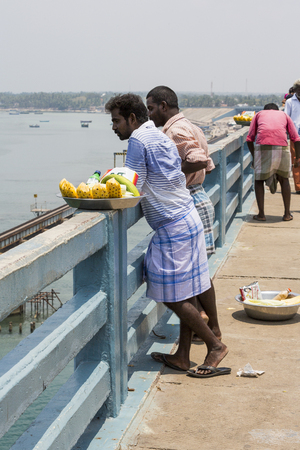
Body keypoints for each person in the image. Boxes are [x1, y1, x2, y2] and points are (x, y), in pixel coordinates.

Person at [105, 93, 230, 378]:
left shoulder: (138, 140)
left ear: (132, 119)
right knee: (184, 291)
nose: (114, 128)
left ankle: (214, 345)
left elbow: (132, 186)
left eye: (116, 121)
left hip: (172, 226)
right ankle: (183, 356)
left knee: (169, 293)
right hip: (187, 216)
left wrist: (103, 190)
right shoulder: (159, 135)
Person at [146, 86, 220, 343]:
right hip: (198, 196)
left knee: (194, 277)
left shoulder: (174, 131)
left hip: (189, 203)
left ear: (164, 106)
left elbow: (199, 160)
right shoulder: (190, 125)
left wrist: (170, 177)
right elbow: (209, 165)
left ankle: (211, 333)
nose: (150, 114)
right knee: (198, 274)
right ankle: (212, 329)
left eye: (152, 108)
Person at [246, 103, 300, 221]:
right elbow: (296, 138)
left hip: (263, 147)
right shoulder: (284, 115)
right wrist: (298, 158)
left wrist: (255, 157)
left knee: (259, 180)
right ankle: (287, 214)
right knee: (284, 179)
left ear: (265, 110)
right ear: (276, 110)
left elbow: (249, 139)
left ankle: (261, 214)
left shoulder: (259, 114)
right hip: (282, 147)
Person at [284, 79, 300, 194]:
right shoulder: (290, 102)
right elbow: (286, 118)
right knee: (296, 160)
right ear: (295, 90)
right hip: (295, 135)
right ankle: (299, 186)